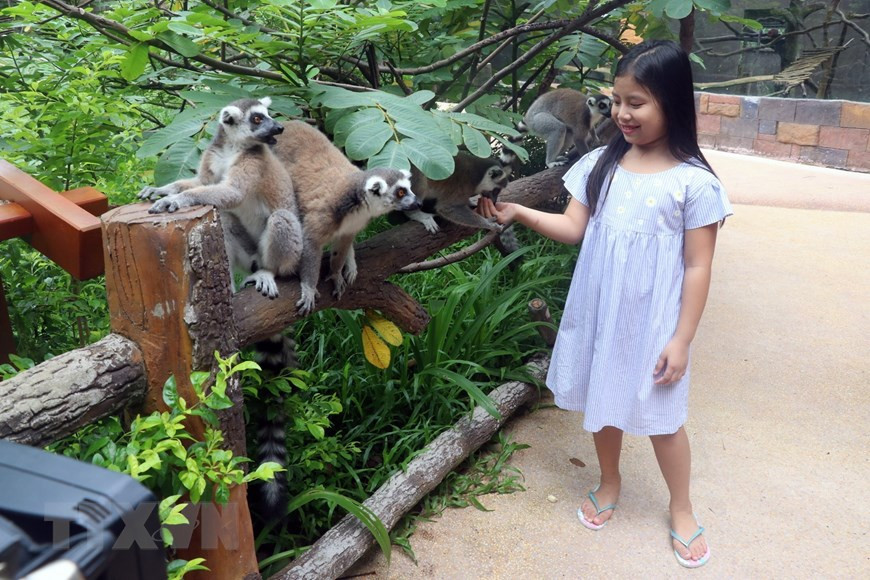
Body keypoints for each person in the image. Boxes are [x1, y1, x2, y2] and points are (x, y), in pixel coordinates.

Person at [478, 40, 731, 568]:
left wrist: (681, 339)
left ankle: (681, 507)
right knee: (603, 402)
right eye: (618, 100)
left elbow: (698, 266)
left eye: (636, 102)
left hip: (655, 323)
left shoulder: (694, 183)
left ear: (673, 103)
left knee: (663, 418)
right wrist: (518, 212)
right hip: (601, 311)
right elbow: (574, 228)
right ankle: (609, 482)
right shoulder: (600, 163)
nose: (621, 113)